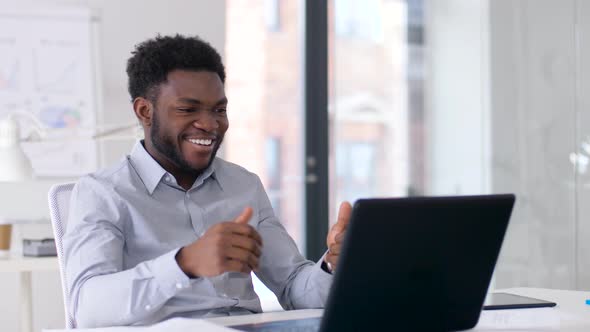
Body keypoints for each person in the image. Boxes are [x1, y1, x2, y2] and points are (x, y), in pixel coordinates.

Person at [63, 34, 352, 328]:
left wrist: (331, 265)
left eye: (219, 110)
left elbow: (293, 287)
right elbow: (88, 308)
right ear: (144, 111)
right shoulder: (102, 193)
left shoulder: (244, 185)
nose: (210, 124)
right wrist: (184, 263)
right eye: (188, 110)